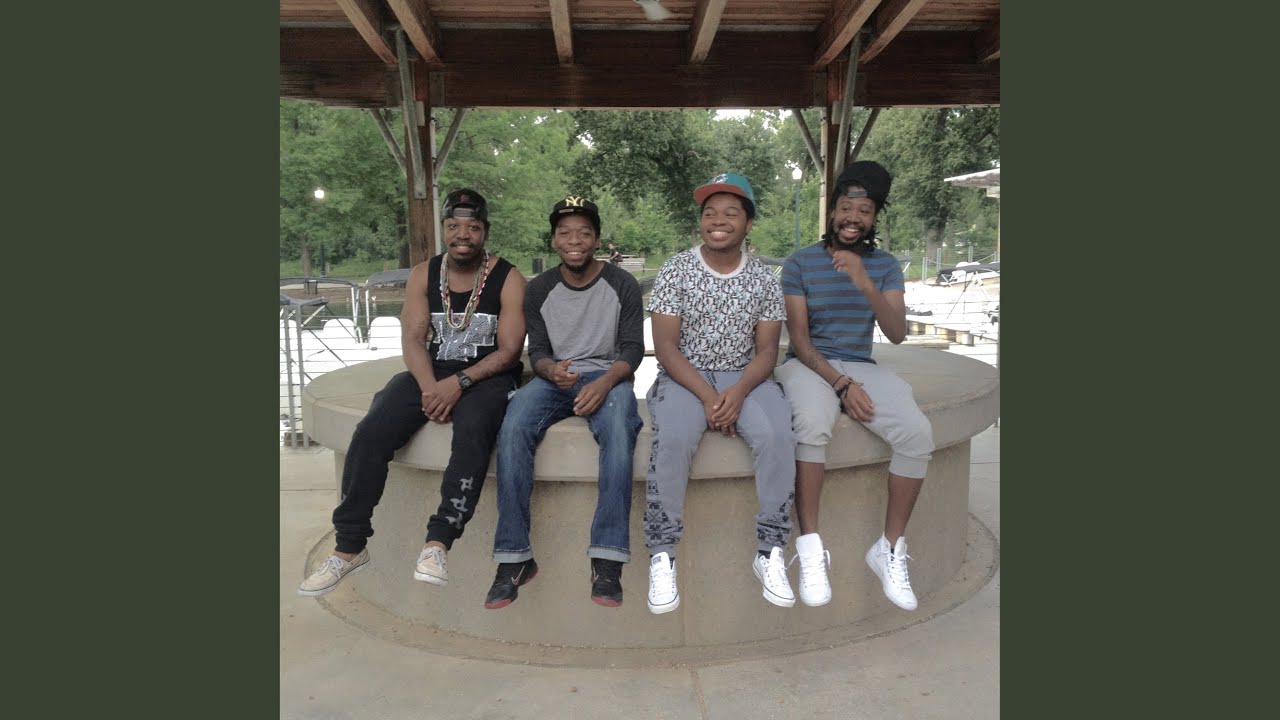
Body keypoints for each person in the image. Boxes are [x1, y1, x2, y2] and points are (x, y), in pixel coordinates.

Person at [298, 189, 528, 597]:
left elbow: (510, 351)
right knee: (372, 430)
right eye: (454, 226)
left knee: (473, 431)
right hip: (431, 373)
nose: (462, 235)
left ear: (485, 232)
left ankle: (438, 543)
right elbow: (412, 339)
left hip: (488, 377)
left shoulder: (509, 278)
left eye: (472, 227)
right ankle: (348, 548)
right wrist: (430, 389)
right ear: (444, 229)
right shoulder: (425, 273)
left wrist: (458, 384)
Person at [774, 161, 934, 611]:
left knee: (917, 435)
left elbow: (897, 333)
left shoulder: (884, 267)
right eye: (846, 207)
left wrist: (864, 281)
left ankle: (889, 548)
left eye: (864, 211)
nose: (853, 218)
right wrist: (842, 385)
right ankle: (810, 548)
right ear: (832, 212)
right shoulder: (800, 263)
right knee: (811, 423)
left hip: (862, 364)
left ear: (874, 218)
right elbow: (800, 342)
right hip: (809, 365)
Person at [643, 172, 797, 614]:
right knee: (674, 437)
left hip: (745, 376)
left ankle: (770, 551)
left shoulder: (764, 279)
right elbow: (666, 348)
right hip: (683, 377)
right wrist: (710, 399)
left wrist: (739, 391)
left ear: (748, 222)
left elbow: (767, 351)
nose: (718, 221)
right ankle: (662, 554)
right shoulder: (676, 270)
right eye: (710, 213)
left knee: (777, 435)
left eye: (731, 213)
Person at [485, 195, 645, 609]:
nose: (574, 241)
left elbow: (633, 348)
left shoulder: (622, 284)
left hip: (607, 377)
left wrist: (605, 383)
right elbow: (537, 351)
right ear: (554, 240)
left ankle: (607, 560)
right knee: (514, 424)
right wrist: (550, 370)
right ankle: (515, 558)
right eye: (565, 233)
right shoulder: (539, 289)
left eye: (584, 233)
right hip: (556, 378)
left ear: (596, 239)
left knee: (618, 428)